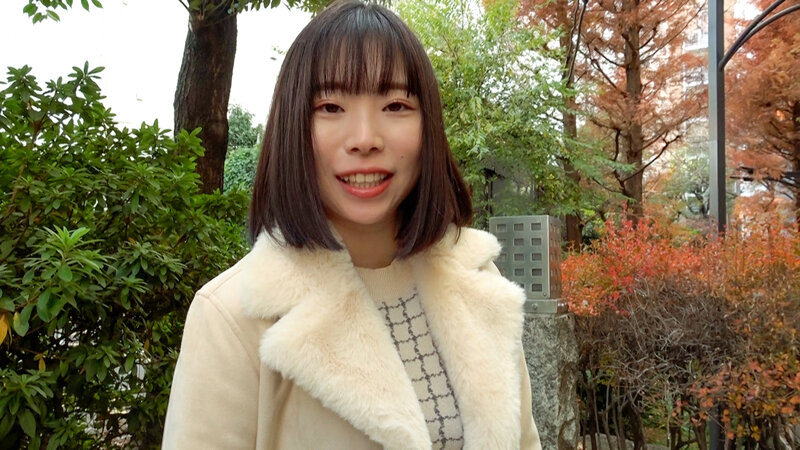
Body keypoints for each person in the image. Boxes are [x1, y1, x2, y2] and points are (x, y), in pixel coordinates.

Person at [162, 1, 541, 448]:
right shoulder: (231, 317)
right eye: (330, 106)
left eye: (395, 105)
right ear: (292, 126)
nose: (365, 139)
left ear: (428, 126)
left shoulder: (477, 278)